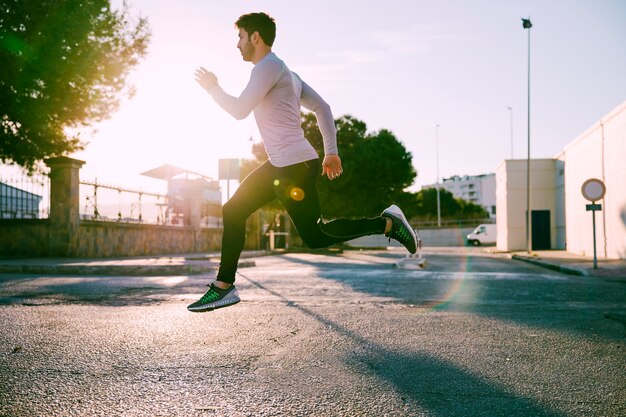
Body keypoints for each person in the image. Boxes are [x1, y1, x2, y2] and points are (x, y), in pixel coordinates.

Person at [188, 12, 417, 312]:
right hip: (284, 164)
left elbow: (240, 110)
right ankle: (223, 286)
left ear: (255, 37)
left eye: (240, 37)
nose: (238, 45)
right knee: (241, 212)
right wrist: (331, 151)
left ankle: (387, 223)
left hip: (292, 165)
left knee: (314, 234)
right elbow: (322, 107)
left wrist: (213, 89)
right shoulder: (288, 74)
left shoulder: (267, 66)